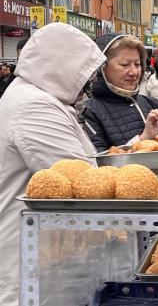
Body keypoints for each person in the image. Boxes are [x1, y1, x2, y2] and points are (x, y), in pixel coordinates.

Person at [0, 23, 106, 303]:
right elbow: (80, 182)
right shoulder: (33, 107)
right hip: (27, 259)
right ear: (63, 67)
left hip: (43, 252)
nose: (90, 82)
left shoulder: (37, 99)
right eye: (85, 72)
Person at [82, 33, 158, 152]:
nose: (134, 72)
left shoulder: (152, 103)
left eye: (137, 64)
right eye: (125, 65)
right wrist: (142, 139)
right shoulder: (88, 113)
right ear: (101, 68)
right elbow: (97, 162)